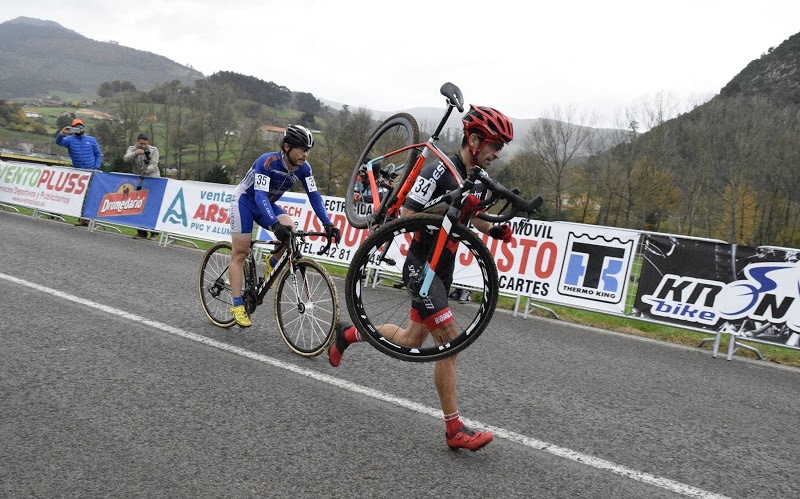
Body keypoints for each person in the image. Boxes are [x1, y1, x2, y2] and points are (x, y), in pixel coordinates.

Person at [329, 105, 516, 452]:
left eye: (501, 147)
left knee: (410, 339)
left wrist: (496, 230)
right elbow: (407, 214)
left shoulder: (473, 177)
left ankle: (349, 333)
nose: (497, 153)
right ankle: (454, 429)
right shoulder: (440, 170)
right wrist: (445, 208)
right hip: (421, 265)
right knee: (449, 339)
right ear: (474, 140)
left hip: (443, 268)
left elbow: (472, 216)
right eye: (494, 145)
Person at [228, 124, 340, 328]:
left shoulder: (304, 169)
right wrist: (273, 223)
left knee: (291, 231)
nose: (305, 154)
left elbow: (314, 196)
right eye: (301, 149)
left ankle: (272, 261)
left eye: (308, 150)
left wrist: (328, 223)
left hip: (267, 204)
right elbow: (260, 194)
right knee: (240, 253)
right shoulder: (267, 161)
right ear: (287, 147)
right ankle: (237, 304)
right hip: (245, 201)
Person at [55, 118, 102, 226]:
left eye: (80, 127)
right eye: (76, 127)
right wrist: (62, 133)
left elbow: (98, 154)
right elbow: (58, 142)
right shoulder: (69, 140)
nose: (79, 129)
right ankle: (80, 218)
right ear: (72, 129)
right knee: (78, 196)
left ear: (83, 128)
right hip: (78, 173)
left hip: (91, 172)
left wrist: (96, 167)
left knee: (90, 196)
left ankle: (87, 219)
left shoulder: (91, 140)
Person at [123, 133, 161, 239]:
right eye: (141, 143)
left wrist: (147, 170)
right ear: (137, 142)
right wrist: (135, 154)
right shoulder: (132, 149)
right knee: (140, 205)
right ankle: (141, 232)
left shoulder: (154, 150)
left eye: (145, 144)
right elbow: (126, 158)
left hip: (152, 179)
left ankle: (154, 233)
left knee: (151, 206)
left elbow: (154, 164)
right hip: (139, 180)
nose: (143, 146)